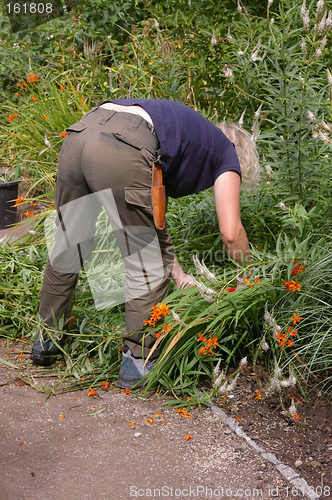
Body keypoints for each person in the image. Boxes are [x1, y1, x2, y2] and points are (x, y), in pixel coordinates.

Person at [30, 99, 260, 389]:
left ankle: (46, 340)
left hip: (81, 132)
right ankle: (138, 360)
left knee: (69, 242)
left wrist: (179, 275)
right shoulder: (228, 154)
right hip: (123, 145)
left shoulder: (184, 135)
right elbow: (230, 232)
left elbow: (154, 224)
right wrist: (250, 276)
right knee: (144, 262)